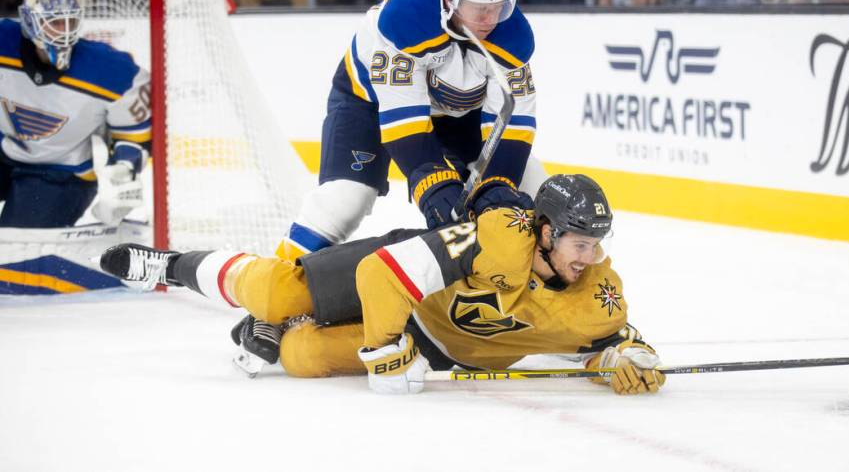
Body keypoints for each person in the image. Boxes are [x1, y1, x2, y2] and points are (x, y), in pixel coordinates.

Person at [100, 174, 667, 396]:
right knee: (278, 291)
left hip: (436, 341)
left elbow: (610, 343)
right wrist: (389, 354)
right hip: (399, 271)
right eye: (578, 244)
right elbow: (383, 276)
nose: (588, 257)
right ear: (544, 232)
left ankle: (274, 331)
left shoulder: (599, 291)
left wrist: (628, 359)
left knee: (298, 355)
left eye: (595, 244)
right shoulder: (499, 236)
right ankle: (172, 266)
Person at [276, 0, 544, 262]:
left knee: (531, 187)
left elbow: (514, 123)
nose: (491, 19)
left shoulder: (513, 37)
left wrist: (497, 185)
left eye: (499, 4)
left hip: (458, 113)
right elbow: (405, 121)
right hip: (370, 103)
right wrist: (433, 183)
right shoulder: (405, 20)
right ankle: (277, 277)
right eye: (480, 7)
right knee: (345, 200)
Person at [0, 0, 150, 228]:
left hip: (62, 172)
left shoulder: (112, 71)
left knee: (15, 244)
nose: (65, 30)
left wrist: (123, 172)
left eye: (70, 21)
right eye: (55, 22)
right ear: (29, 21)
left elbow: (133, 137)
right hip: (5, 153)